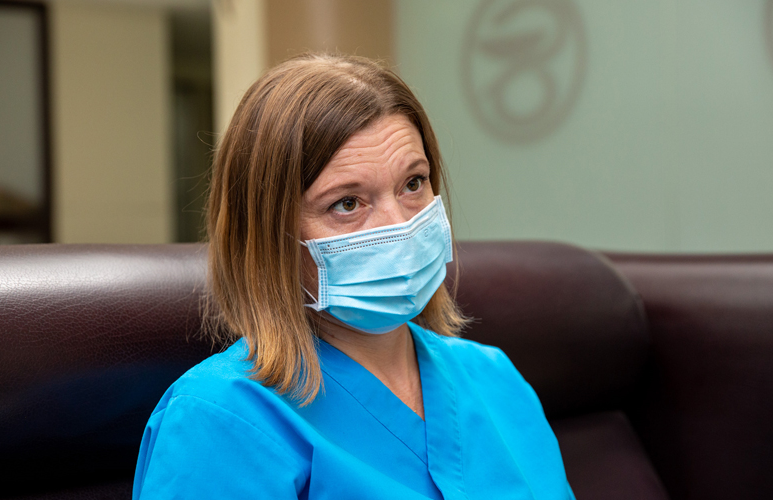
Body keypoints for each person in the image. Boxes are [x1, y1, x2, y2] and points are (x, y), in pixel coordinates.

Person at [132, 53, 575, 499]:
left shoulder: (495, 378)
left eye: (413, 183)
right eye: (347, 203)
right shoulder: (219, 418)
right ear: (269, 238)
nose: (399, 226)